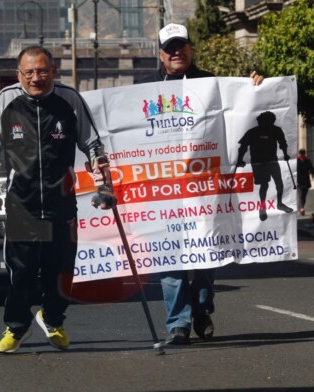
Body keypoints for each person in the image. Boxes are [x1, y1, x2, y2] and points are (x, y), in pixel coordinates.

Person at [0, 45, 114, 354]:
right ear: (19, 74)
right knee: (22, 271)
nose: (35, 78)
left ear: (53, 71)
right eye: (29, 72)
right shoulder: (6, 100)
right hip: (22, 202)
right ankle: (17, 327)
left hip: (60, 199)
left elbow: (93, 146)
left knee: (61, 270)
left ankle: (52, 319)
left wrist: (105, 185)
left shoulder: (69, 100)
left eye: (41, 71)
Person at [138, 23, 264, 345]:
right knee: (170, 258)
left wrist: (255, 89)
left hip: (205, 191)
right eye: (171, 47)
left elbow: (242, 112)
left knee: (207, 254)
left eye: (182, 45)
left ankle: (202, 310)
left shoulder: (213, 84)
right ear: (161, 53)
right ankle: (177, 323)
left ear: (191, 49)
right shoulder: (142, 91)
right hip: (165, 193)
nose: (177, 51)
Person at [237, 111, 293, 221]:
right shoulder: (253, 132)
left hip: (272, 161)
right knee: (264, 185)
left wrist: (285, 153)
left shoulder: (276, 130)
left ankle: (280, 203)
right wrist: (239, 160)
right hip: (259, 163)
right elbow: (243, 147)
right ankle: (262, 207)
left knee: (278, 183)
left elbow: (283, 143)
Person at [297, 148, 314, 215]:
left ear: (304, 154)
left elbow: (311, 169)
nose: (302, 155)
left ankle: (301, 208)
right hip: (298, 181)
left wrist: (313, 175)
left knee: (304, 196)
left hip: (306, 182)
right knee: (301, 195)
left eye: (303, 154)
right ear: (299, 154)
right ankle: (301, 209)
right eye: (301, 154)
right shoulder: (297, 161)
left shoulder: (307, 161)